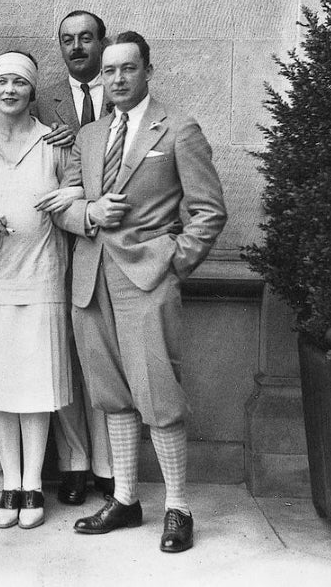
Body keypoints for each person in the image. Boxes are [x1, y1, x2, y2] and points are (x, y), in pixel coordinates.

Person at [57, 31, 226, 553]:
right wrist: (87, 213)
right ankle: (126, 500)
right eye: (109, 71)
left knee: (159, 394)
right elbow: (64, 203)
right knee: (112, 394)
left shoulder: (179, 129)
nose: (117, 79)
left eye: (128, 69)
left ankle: (178, 506)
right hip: (90, 279)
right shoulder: (89, 136)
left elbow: (209, 212)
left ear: (148, 71)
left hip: (147, 279)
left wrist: (172, 262)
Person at [0, 52, 82, 529]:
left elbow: (78, 190)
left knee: (36, 383)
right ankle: (10, 481)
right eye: (2, 81)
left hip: (43, 274)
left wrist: (69, 196)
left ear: (32, 91)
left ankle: (33, 484)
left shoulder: (53, 142)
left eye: (20, 83)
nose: (10, 89)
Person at [32, 10, 115, 506]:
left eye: (86, 38)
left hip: (109, 249)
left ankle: (109, 466)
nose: (77, 47)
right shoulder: (41, 102)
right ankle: (74, 463)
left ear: (102, 43)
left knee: (102, 359)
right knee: (61, 355)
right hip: (57, 249)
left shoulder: (123, 100)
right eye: (67, 40)